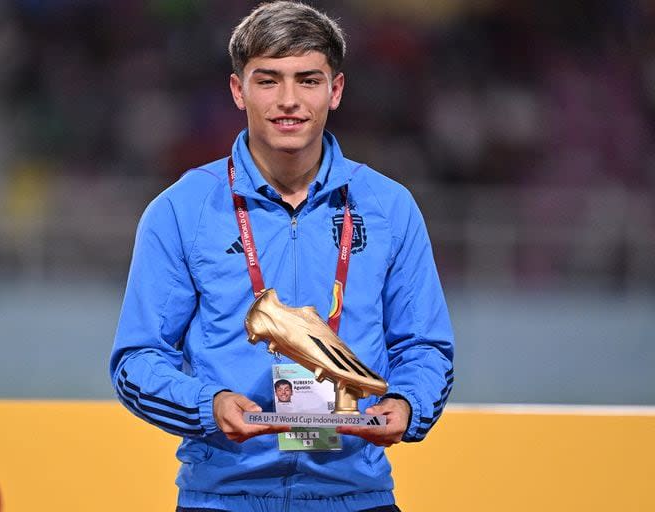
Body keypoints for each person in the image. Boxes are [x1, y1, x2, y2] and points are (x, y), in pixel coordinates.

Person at [109, 2, 454, 511]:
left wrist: (407, 403)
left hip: (356, 497)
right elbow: (136, 361)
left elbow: (425, 347)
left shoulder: (387, 207)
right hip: (222, 498)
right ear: (237, 90)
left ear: (335, 91)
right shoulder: (182, 210)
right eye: (268, 80)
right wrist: (209, 405)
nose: (288, 100)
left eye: (308, 80)